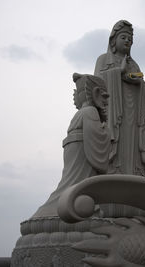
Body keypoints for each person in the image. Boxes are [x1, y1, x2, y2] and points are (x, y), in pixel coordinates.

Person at [32, 73, 111, 218]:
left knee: (70, 187)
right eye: (105, 97)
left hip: (77, 158)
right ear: (96, 94)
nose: (106, 103)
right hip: (83, 160)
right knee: (76, 189)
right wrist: (106, 130)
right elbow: (97, 140)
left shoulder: (80, 114)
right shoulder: (90, 111)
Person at [94, 20, 145, 176]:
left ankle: (133, 171)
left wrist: (137, 81)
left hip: (132, 114)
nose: (127, 41)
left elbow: (141, 83)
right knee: (116, 141)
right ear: (113, 40)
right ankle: (115, 170)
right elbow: (96, 85)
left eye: (130, 40)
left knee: (132, 140)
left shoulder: (134, 65)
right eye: (124, 37)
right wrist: (118, 72)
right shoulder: (103, 59)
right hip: (113, 113)